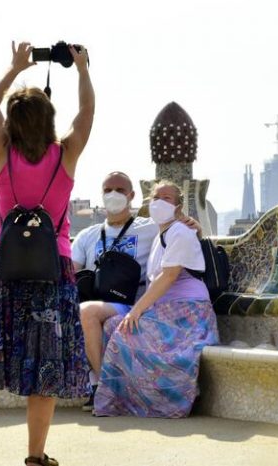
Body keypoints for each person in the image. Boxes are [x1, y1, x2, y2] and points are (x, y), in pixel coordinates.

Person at [0, 41, 94, 466]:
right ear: (49, 119)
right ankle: (35, 456)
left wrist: (16, 67)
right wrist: (83, 69)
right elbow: (87, 114)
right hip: (51, 274)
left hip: (3, 269)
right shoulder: (65, 155)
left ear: (13, 124)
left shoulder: (3, 152)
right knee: (44, 370)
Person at [71, 172, 200, 412]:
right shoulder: (86, 236)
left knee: (86, 313)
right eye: (108, 189)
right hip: (98, 300)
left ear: (131, 196)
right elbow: (69, 271)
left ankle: (102, 387)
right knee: (83, 311)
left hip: (132, 303)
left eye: (120, 190)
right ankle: (101, 383)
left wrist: (194, 225)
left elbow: (180, 234)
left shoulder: (149, 228)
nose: (114, 195)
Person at [92, 180, 219, 418]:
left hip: (187, 313)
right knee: (111, 326)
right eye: (155, 197)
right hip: (166, 309)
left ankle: (159, 402)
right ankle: (124, 400)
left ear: (179, 206)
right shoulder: (161, 232)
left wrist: (136, 310)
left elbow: (169, 276)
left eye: (167, 198)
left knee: (125, 330)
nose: (159, 202)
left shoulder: (180, 231)